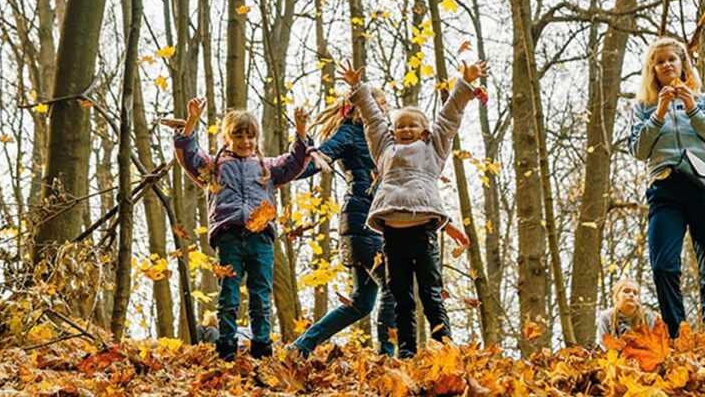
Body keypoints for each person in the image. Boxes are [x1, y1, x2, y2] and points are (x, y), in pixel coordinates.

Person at [339, 59, 484, 358]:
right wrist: (358, 88)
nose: (405, 129)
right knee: (400, 296)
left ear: (425, 130)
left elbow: (449, 116)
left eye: (412, 125)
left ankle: (445, 349)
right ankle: (406, 350)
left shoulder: (434, 148)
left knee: (431, 294)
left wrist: (465, 84)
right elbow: (373, 120)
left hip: (424, 232)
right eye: (400, 126)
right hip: (392, 234)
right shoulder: (385, 150)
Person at [172, 97, 311, 361]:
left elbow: (295, 161)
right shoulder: (214, 167)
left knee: (261, 293)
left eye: (251, 136)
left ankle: (262, 346)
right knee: (229, 294)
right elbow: (188, 156)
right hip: (229, 235)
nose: (245, 141)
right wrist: (192, 120)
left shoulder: (266, 168)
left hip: (261, 237)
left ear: (257, 138)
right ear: (227, 137)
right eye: (239, 135)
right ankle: (226, 346)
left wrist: (301, 130)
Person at [628, 37, 705, 339]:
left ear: (683, 64)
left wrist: (692, 109)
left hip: (703, 187)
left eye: (672, 59)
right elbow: (638, 149)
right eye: (659, 62)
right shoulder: (643, 107)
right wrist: (658, 114)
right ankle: (678, 335)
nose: (666, 65)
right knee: (663, 266)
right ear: (653, 70)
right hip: (665, 190)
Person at [290, 87, 397, 357]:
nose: (381, 109)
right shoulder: (350, 133)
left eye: (384, 105)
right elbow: (316, 160)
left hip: (378, 221)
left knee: (361, 303)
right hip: (363, 219)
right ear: (355, 108)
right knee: (393, 287)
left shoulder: (386, 139)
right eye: (375, 104)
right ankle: (388, 357)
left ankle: (302, 345)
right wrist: (290, 165)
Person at [596, 278, 656, 345]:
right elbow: (603, 344)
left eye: (635, 293)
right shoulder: (606, 316)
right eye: (626, 291)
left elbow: (654, 343)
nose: (631, 295)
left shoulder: (647, 317)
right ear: (616, 296)